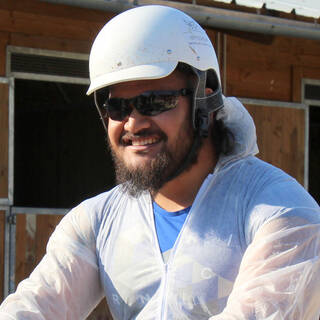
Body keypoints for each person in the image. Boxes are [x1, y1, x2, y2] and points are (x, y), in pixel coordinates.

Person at [0, 5, 320, 320]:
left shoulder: (282, 213)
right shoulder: (97, 222)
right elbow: (35, 307)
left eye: (154, 102)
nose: (133, 123)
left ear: (204, 101)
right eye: (117, 107)